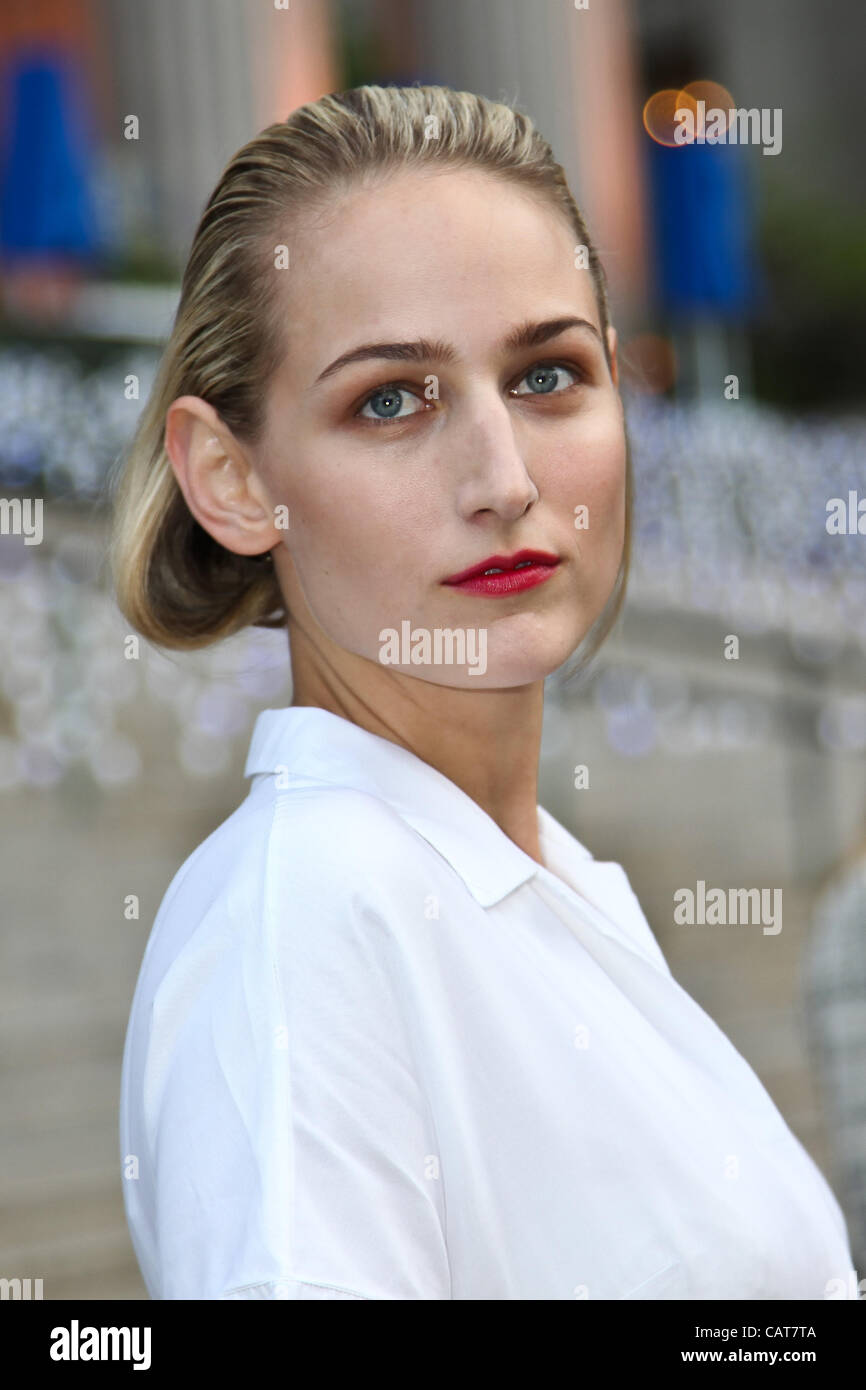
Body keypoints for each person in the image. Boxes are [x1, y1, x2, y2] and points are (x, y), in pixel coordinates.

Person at [112, 83, 856, 1300]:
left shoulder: (530, 877)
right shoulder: (302, 921)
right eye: (390, 399)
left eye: (547, 375)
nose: (503, 479)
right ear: (232, 477)